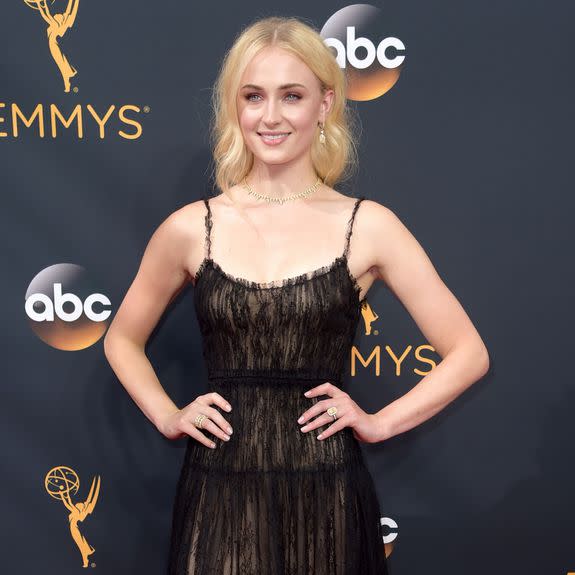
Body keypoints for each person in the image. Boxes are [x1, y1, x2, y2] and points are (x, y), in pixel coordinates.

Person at [103, 15, 490, 575]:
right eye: (254, 96)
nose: (271, 115)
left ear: (325, 105)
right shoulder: (190, 228)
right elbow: (121, 339)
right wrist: (167, 414)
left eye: (292, 95)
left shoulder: (370, 226)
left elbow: (467, 352)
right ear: (235, 107)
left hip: (327, 493)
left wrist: (379, 422)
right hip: (219, 494)